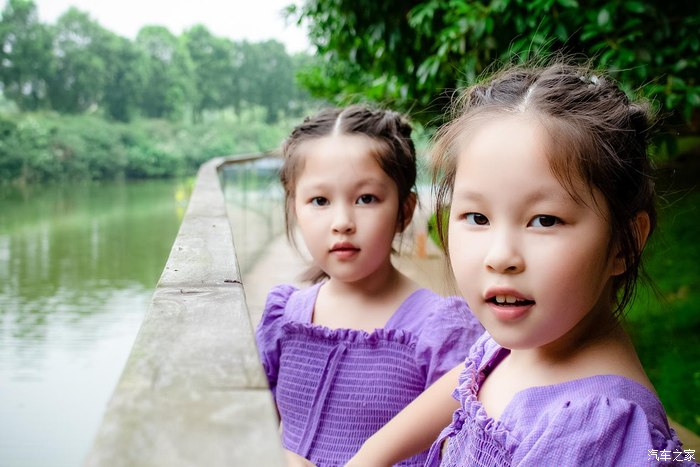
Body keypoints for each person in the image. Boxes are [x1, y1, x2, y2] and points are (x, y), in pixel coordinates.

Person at [347, 61, 692, 466]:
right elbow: (466, 380)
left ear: (623, 242)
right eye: (477, 218)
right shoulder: (519, 340)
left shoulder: (595, 428)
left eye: (544, 221)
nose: (501, 257)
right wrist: (368, 456)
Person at [254, 104, 484, 466]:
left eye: (366, 199)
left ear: (404, 211)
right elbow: (248, 434)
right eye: (319, 201)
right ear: (294, 206)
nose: (342, 222)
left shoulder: (441, 330)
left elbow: (461, 450)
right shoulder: (284, 317)